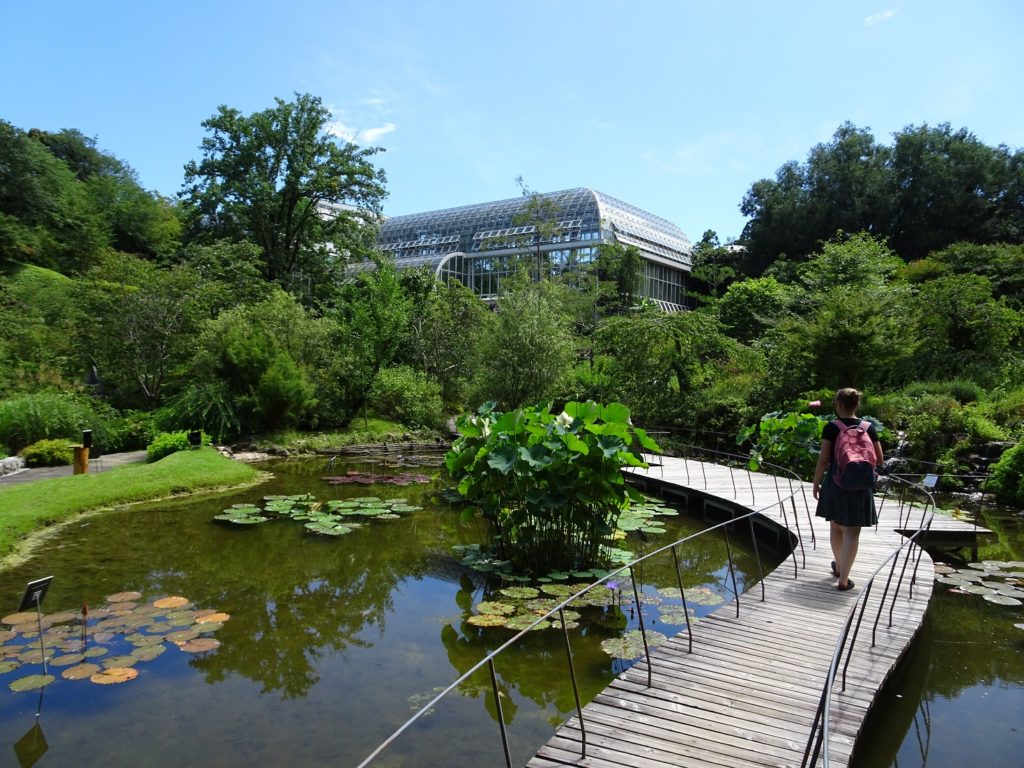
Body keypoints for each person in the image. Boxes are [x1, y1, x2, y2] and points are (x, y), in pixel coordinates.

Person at [812, 388, 884, 591]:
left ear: (839, 405)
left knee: (836, 526)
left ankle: (839, 567)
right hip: (861, 485)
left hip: (836, 482)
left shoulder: (832, 428)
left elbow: (824, 459)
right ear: (856, 405)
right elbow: (879, 459)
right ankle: (844, 579)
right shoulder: (869, 427)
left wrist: (816, 482)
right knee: (853, 532)